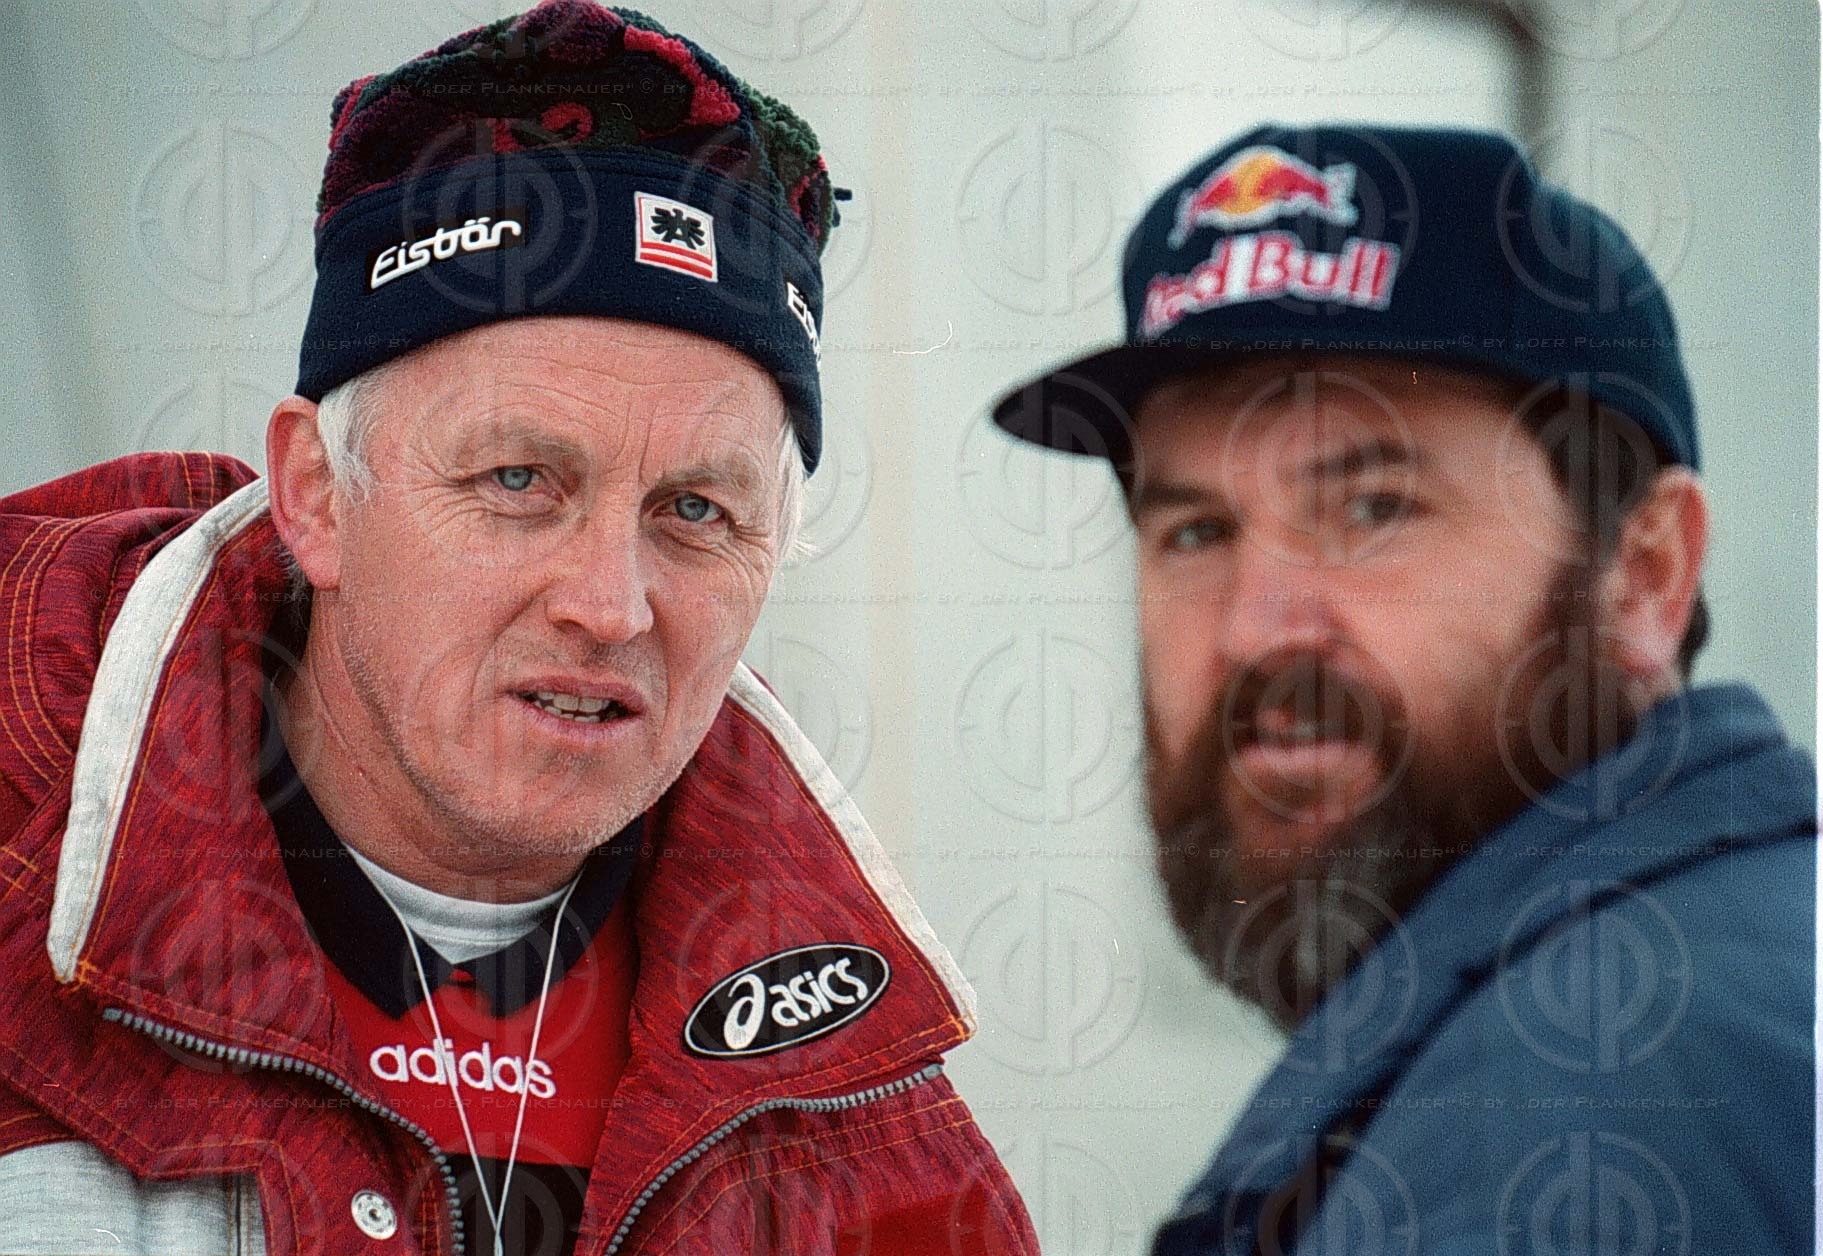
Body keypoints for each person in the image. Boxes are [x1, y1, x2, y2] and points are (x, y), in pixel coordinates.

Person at [0, 3, 1037, 1253]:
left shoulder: (867, 1134)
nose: (608, 604)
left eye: (695, 510)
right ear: (317, 495)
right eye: (517, 480)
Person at [992, 123, 1813, 1254]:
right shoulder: (1715, 961)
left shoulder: (1568, 1121)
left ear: (1644, 570)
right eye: (1195, 530)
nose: (1253, 628)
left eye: (1372, 507)